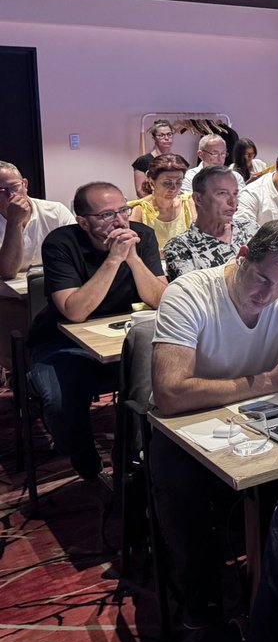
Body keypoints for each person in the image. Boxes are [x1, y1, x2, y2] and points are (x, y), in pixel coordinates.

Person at [150, 220, 278, 623]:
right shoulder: (191, 292)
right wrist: (266, 381)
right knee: (184, 489)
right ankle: (201, 605)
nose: (268, 295)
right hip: (184, 425)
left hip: (254, 415)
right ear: (243, 255)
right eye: (263, 278)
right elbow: (171, 393)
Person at [26, 182, 166, 479]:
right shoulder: (60, 243)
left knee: (163, 382)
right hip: (61, 341)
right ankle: (86, 462)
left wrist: (133, 258)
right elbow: (75, 312)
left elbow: (159, 299)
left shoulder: (143, 237)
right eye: (106, 215)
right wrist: (114, 258)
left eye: (123, 210)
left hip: (121, 338)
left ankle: (137, 459)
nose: (119, 221)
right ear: (83, 221)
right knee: (61, 404)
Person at [163, 167, 258, 281]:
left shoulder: (252, 229)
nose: (232, 202)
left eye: (235, 193)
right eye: (222, 193)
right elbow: (195, 293)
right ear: (198, 199)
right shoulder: (180, 247)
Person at [0, 160, 76, 279]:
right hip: (6, 293)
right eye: (1, 190)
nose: (11, 195)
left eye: (14, 187)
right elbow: (7, 272)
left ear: (25, 185)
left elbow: (76, 255)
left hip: (51, 283)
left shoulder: (56, 211)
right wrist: (14, 221)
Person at [128, 153, 195, 249]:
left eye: (179, 182)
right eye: (167, 183)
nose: (174, 188)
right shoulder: (140, 209)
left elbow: (198, 239)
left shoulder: (188, 203)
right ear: (152, 182)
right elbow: (133, 246)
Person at [132, 119, 176, 198]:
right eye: (161, 135)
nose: (166, 138)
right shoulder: (143, 161)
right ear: (154, 138)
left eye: (169, 134)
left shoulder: (178, 160)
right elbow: (140, 191)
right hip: (151, 205)